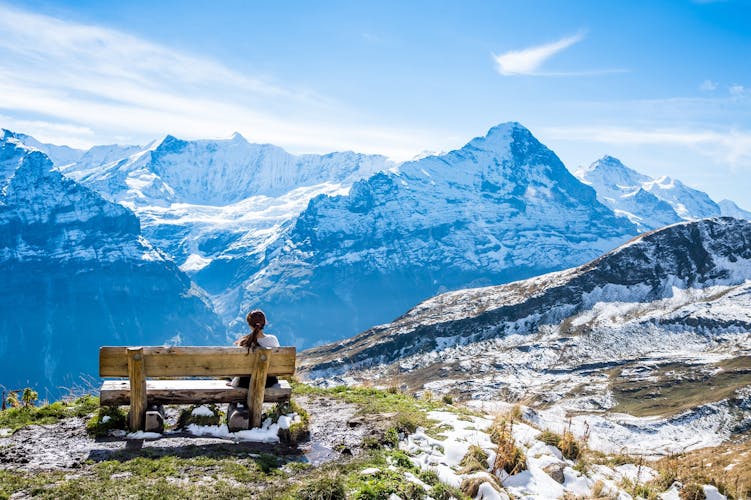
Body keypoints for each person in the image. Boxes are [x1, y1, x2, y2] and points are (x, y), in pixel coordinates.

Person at [229, 309, 280, 388]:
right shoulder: (273, 339)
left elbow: (240, 366)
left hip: (246, 383)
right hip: (269, 382)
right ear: (264, 323)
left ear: (249, 325)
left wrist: (234, 382)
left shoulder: (244, 342)